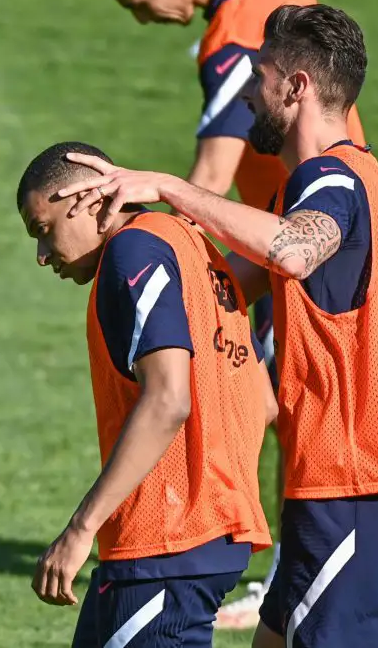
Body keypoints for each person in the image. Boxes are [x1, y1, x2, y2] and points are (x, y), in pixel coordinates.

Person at [52, 5, 378, 647]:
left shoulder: (332, 180)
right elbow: (220, 288)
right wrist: (134, 244)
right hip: (360, 483)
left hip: (358, 482)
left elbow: (291, 251)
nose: (245, 93)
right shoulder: (351, 181)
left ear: (296, 87)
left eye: (258, 75)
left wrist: (167, 188)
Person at [17, 141, 275, 647]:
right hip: (194, 538)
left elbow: (167, 400)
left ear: (87, 200)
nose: (42, 256)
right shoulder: (192, 247)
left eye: (43, 230)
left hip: (166, 543)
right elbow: (261, 402)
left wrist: (81, 528)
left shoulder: (131, 253)